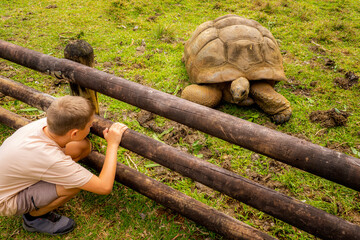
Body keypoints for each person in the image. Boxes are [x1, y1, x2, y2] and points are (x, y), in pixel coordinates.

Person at [0, 96, 128, 235]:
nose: (91, 126)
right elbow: (104, 187)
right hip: (6, 200)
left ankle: (46, 188)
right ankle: (33, 218)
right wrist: (113, 144)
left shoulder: (45, 124)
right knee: (72, 185)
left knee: (81, 146)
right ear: (74, 133)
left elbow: (79, 147)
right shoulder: (51, 159)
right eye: (89, 125)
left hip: (19, 172)